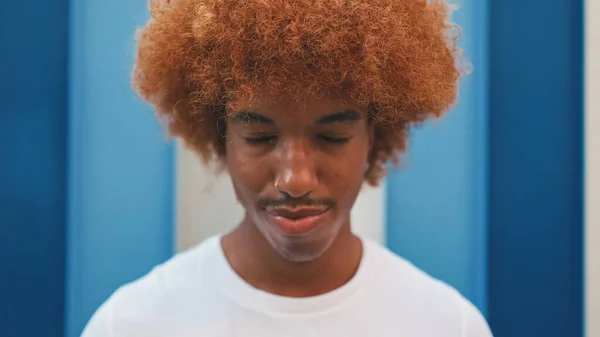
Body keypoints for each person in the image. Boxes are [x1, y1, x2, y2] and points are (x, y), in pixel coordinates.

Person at [82, 0, 492, 336]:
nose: (295, 180)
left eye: (332, 138)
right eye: (260, 138)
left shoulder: (447, 326)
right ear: (219, 134)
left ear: (376, 133)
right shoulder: (132, 324)